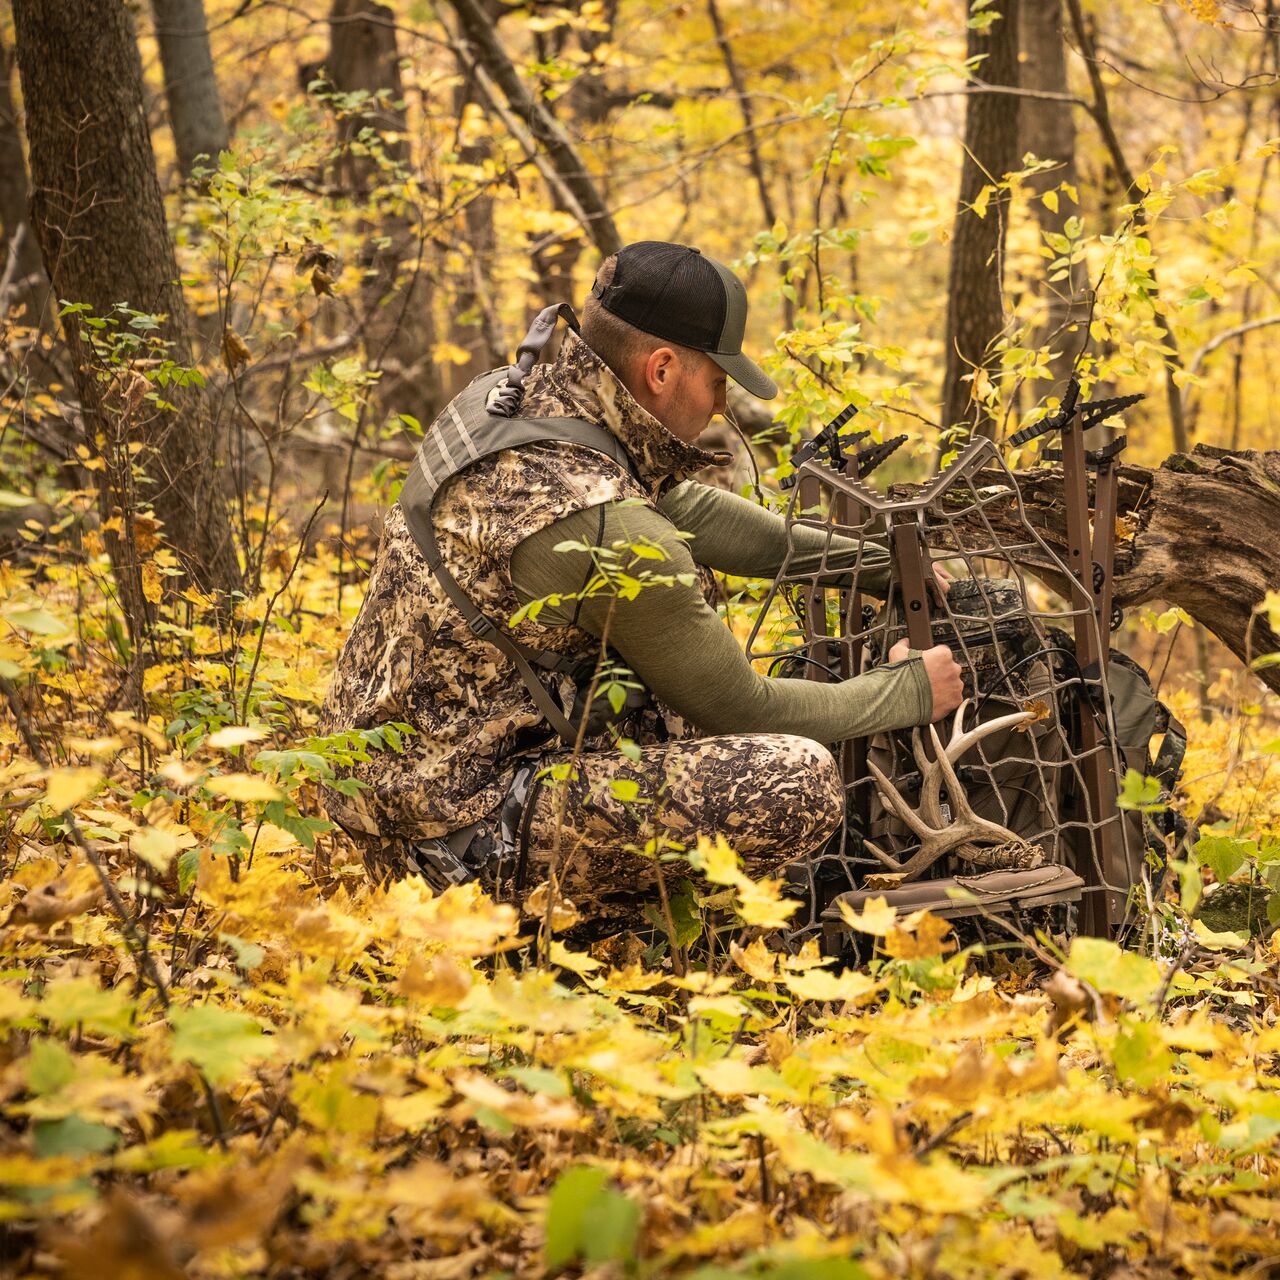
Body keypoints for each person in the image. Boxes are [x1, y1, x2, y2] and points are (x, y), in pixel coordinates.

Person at [319, 241, 962, 917]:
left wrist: (871, 564)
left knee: (666, 703)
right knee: (792, 779)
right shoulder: (602, 522)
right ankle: (597, 932)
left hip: (392, 781)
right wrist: (906, 690)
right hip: (444, 834)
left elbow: (688, 509)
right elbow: (740, 706)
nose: (719, 406)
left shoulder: (519, 400)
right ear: (660, 370)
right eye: (717, 383)